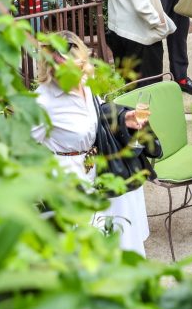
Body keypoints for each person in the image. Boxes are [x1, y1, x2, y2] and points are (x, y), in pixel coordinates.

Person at [32, 31, 150, 255]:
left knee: (113, 237)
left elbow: (98, 113)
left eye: (81, 65)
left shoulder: (86, 83)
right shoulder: (42, 102)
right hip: (68, 182)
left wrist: (124, 118)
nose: (77, 74)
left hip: (98, 169)